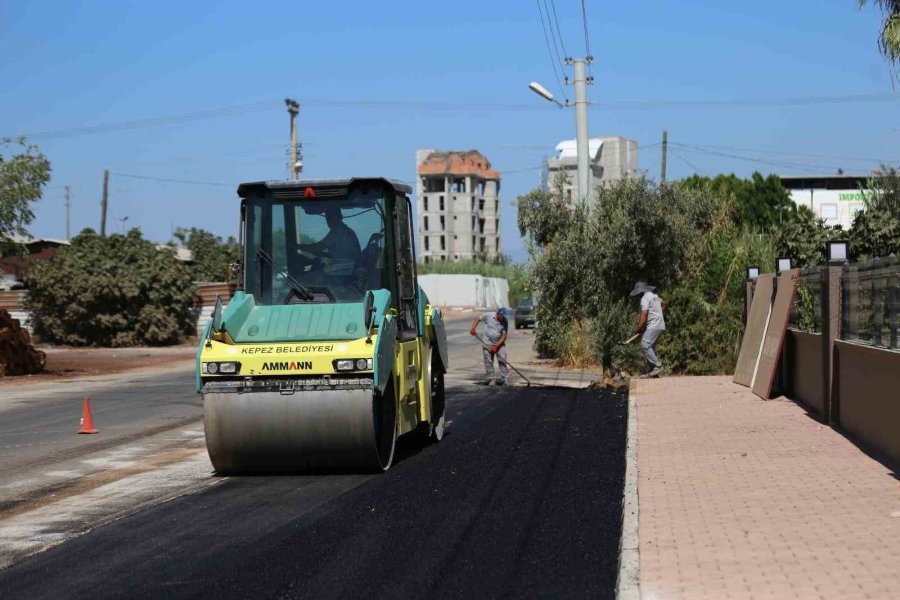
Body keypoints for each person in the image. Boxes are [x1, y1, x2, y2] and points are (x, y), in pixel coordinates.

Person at [630, 281, 667, 378]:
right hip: (660, 325)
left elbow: (644, 314)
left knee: (645, 344)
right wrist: (658, 313)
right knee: (651, 347)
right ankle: (652, 372)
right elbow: (664, 303)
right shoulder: (654, 296)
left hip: (654, 325)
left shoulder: (645, 298)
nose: (638, 296)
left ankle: (658, 366)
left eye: (638, 294)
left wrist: (639, 328)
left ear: (641, 292)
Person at [470, 308, 509, 386]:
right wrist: (473, 328)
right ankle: (490, 377)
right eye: (503, 316)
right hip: (487, 343)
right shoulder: (489, 315)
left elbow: (504, 336)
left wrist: (497, 345)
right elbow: (478, 319)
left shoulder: (505, 321)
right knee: (488, 360)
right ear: (498, 314)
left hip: (499, 344)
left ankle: (504, 379)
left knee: (502, 360)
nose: (504, 318)